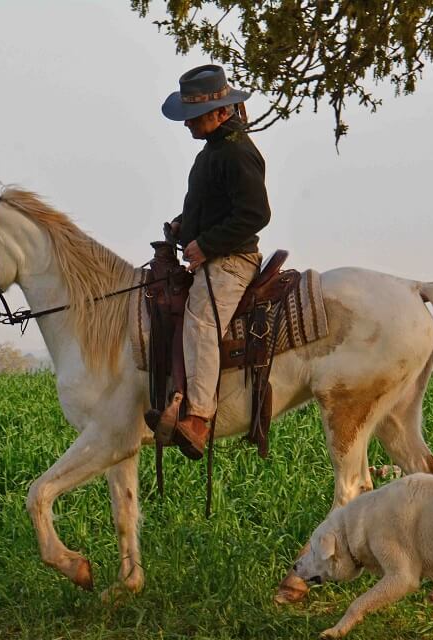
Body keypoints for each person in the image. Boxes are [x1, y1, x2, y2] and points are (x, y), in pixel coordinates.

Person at [159, 63, 271, 460]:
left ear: (222, 112)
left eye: (194, 117)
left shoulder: (238, 152)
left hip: (233, 259)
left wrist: (205, 245)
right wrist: (183, 226)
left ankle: (200, 418)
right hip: (213, 253)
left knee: (201, 320)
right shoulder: (214, 150)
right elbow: (213, 205)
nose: (187, 125)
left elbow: (254, 214)